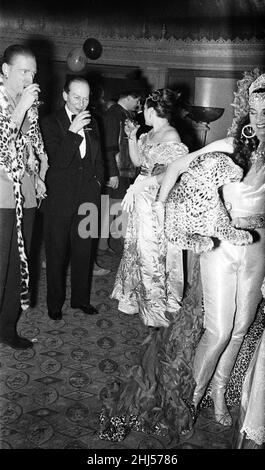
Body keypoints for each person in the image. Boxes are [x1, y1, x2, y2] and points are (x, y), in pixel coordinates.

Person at [156, 69, 265, 427]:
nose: (262, 118)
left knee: (240, 328)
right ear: (248, 111)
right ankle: (192, 398)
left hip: (258, 248)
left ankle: (218, 393)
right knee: (218, 329)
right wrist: (162, 211)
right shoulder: (231, 146)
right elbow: (174, 167)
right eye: (257, 110)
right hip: (221, 245)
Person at [111, 89, 189, 328]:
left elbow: (173, 171)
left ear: (152, 110)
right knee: (136, 246)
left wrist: (146, 183)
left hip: (157, 198)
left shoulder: (171, 135)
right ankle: (134, 298)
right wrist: (132, 137)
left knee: (152, 251)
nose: (140, 112)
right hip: (140, 196)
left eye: (143, 108)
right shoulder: (149, 133)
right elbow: (138, 163)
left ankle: (155, 308)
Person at [41, 76, 104, 320]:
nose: (81, 103)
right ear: (65, 96)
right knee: (56, 255)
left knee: (84, 253)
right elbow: (58, 161)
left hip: (87, 199)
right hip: (59, 200)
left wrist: (98, 182)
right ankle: (54, 305)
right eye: (76, 97)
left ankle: (81, 300)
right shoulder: (49, 122)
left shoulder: (93, 121)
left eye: (86, 98)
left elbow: (98, 158)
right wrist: (73, 131)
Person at [0, 44, 48, 350]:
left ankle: (7, 327)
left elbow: (35, 144)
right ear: (5, 71)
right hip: (1, 198)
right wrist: (19, 110)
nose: (30, 77)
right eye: (23, 71)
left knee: (19, 267)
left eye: (33, 72)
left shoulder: (29, 104)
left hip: (26, 197)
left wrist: (40, 173)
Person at [98, 89, 142, 252]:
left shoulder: (123, 114)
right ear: (129, 97)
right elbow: (109, 146)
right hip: (117, 170)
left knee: (115, 207)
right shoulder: (113, 115)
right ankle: (102, 245)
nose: (138, 104)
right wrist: (112, 173)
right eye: (137, 100)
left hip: (124, 170)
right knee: (110, 207)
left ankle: (107, 243)